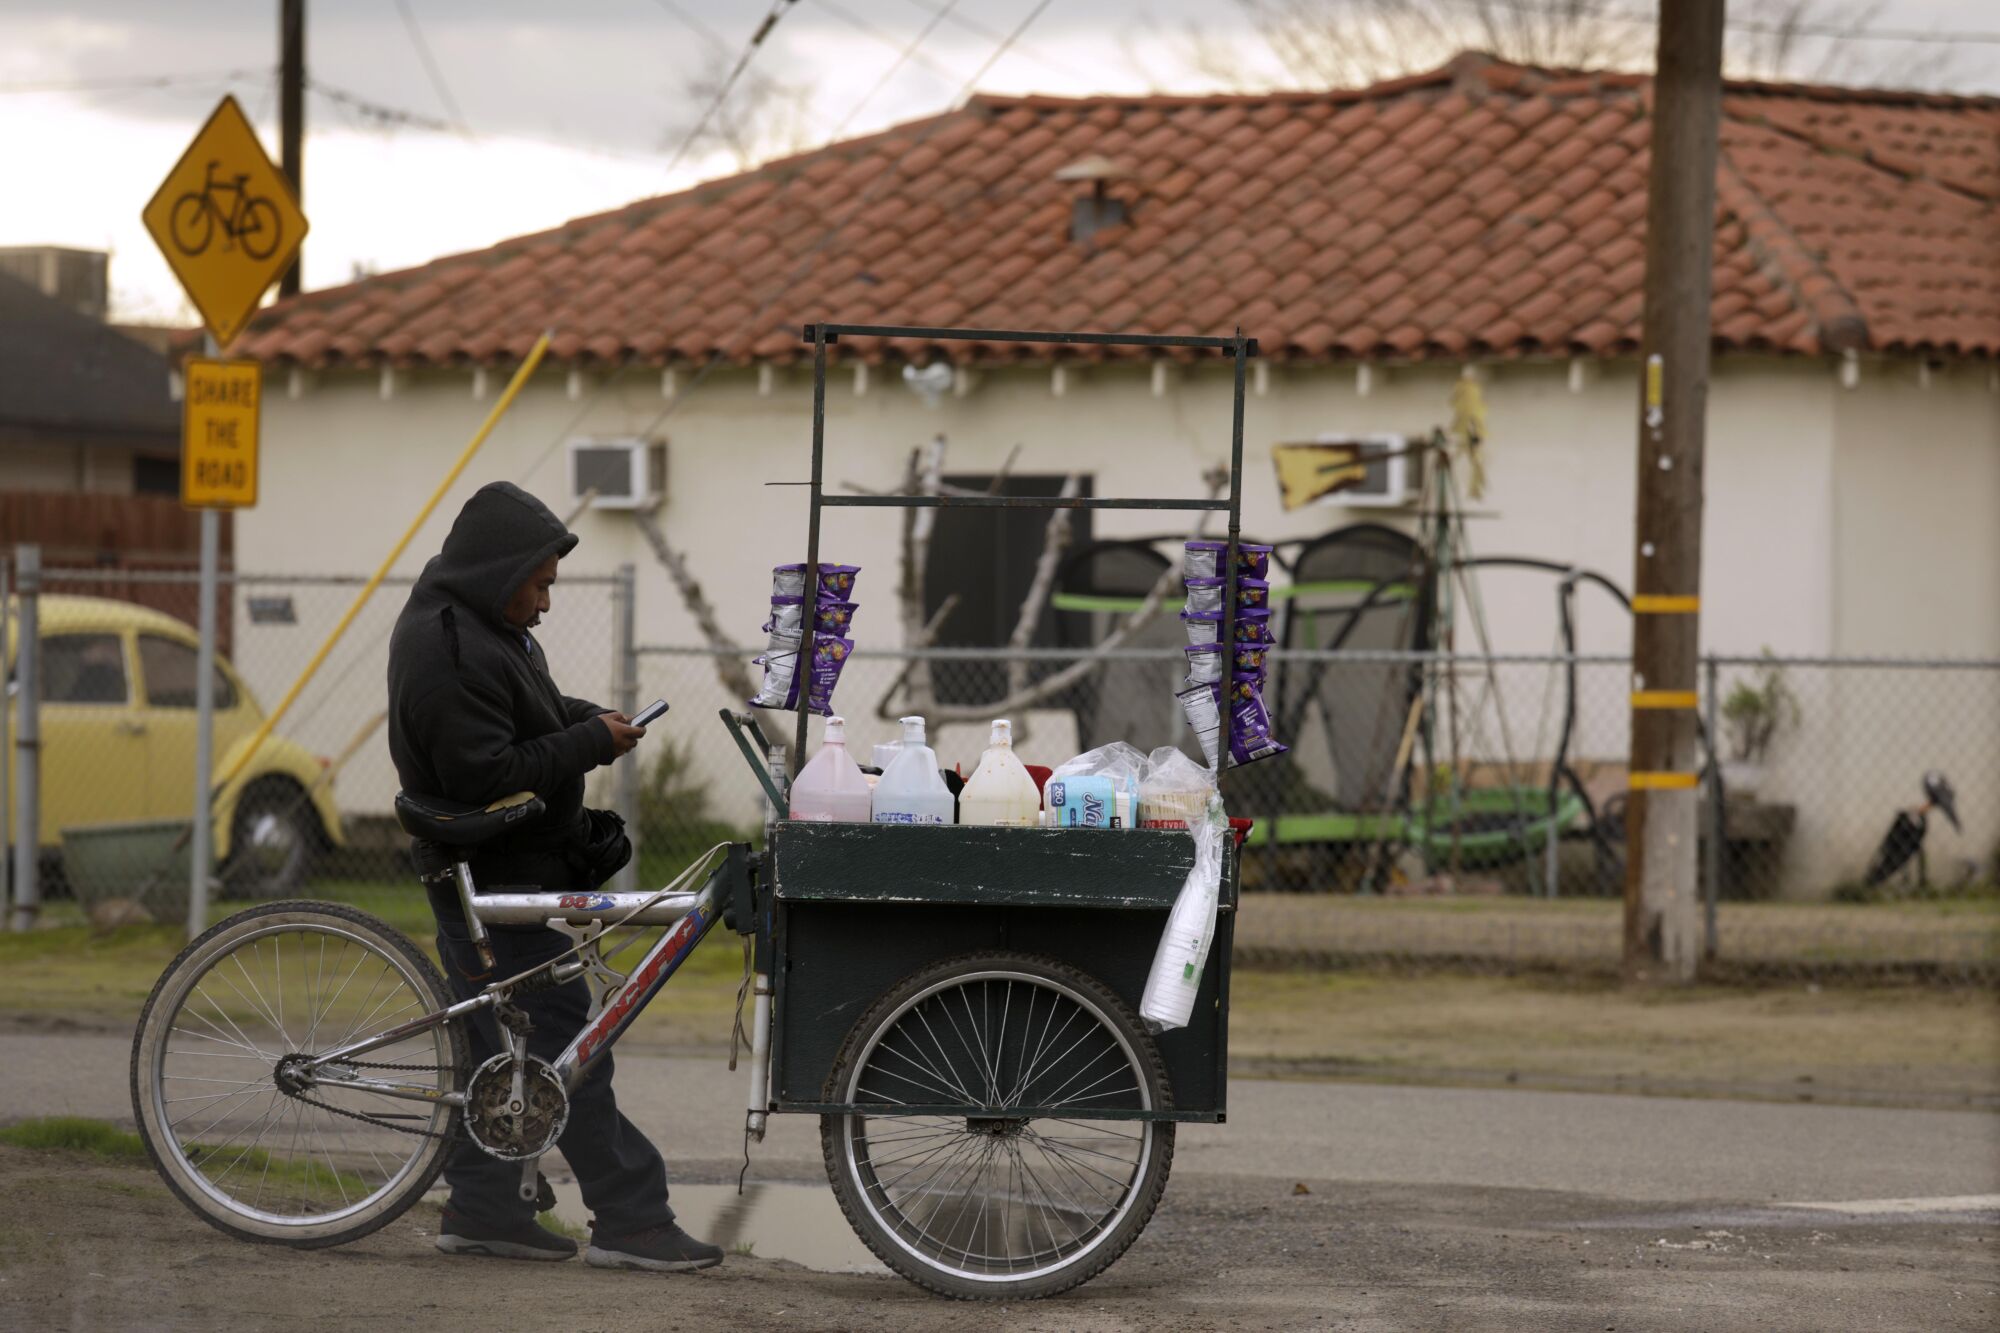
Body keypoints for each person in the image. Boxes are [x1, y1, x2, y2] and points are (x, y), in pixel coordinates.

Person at [386, 480, 722, 1274]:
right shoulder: (448, 647)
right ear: (500, 571)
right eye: (537, 585)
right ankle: (632, 1217)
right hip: (489, 884)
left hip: (511, 877)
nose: (543, 603)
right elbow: (487, 771)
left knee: (510, 1046)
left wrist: (587, 719)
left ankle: (484, 1209)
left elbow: (529, 711)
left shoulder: (481, 627)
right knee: (566, 1046)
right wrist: (590, 744)